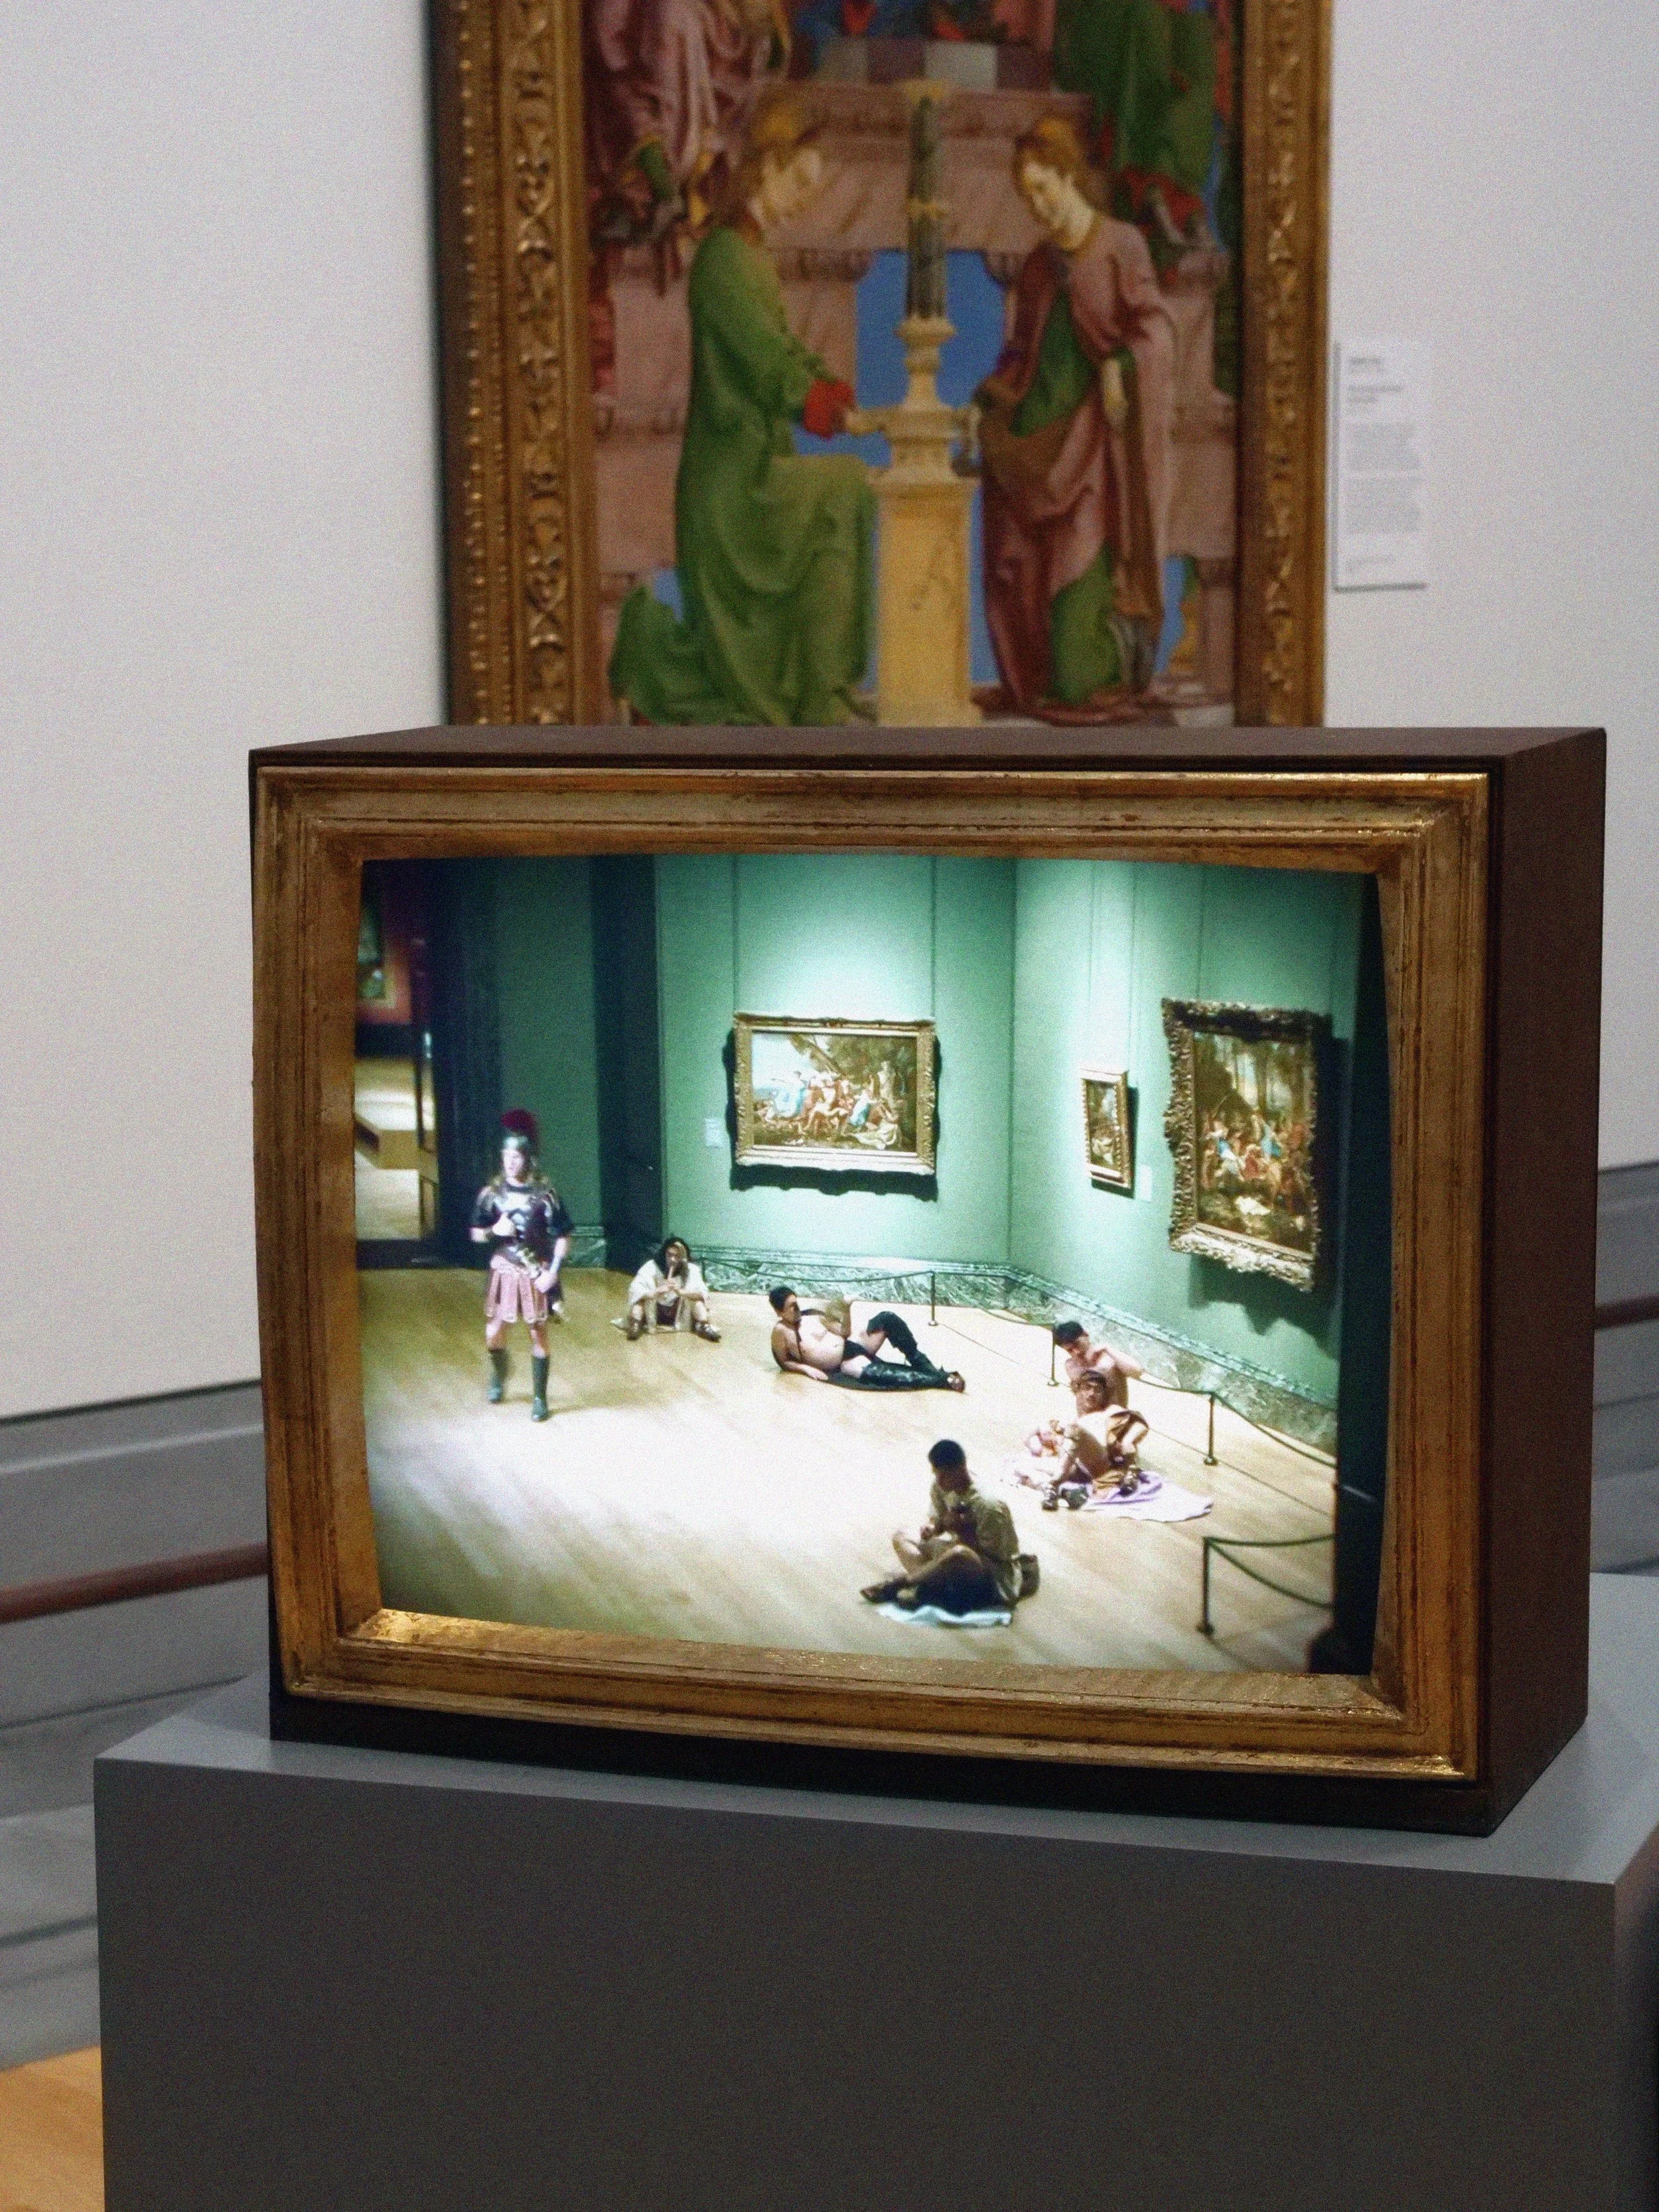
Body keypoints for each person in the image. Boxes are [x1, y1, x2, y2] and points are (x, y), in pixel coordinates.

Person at [608, 99, 876, 725]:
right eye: (802, 182)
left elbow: (786, 351)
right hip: (730, 490)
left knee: (845, 491)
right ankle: (820, 694)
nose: (807, 199)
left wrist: (838, 393)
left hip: (757, 471)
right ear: (767, 169)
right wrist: (829, 410)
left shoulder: (751, 254)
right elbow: (766, 364)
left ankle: (822, 687)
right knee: (843, 487)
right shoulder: (725, 259)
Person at [976, 114, 1176, 717]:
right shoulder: (1038, 266)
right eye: (1027, 194)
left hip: (1093, 455)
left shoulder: (1121, 246)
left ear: (1069, 176)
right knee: (1034, 617)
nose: (1036, 205)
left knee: (1077, 673)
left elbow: (1159, 331)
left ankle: (1124, 652)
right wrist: (989, 399)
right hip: (1038, 444)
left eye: (1043, 188)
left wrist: (1121, 364)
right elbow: (1019, 353)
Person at [469, 1111, 573, 1422]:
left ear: (527, 1158)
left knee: (537, 1333)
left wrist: (552, 1272)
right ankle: (500, 1374)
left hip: (535, 1271)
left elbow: (563, 1235)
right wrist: (493, 1232)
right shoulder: (492, 1195)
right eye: (505, 1156)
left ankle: (540, 1397)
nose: (509, 1162)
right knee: (494, 1332)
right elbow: (476, 1233)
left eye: (515, 1156)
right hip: (504, 1269)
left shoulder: (546, 1196)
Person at [863, 1440, 1027, 1615]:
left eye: (944, 1476)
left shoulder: (989, 1505)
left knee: (959, 1554)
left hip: (993, 1577)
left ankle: (902, 1583)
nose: (939, 1482)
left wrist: (963, 1531)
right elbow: (937, 1519)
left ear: (961, 1469)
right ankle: (929, 1584)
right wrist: (933, 1527)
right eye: (936, 1474)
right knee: (902, 1536)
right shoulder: (940, 1487)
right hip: (954, 1555)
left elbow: (993, 1558)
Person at [769, 1287, 964, 1392]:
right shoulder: (781, 1332)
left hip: (852, 1346)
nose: (797, 1309)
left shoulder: (812, 1315)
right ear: (779, 1311)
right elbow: (784, 1361)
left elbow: (844, 1332)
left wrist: (846, 1310)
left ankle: (924, 1365)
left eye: (797, 1304)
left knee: (887, 1319)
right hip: (844, 1365)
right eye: (791, 1307)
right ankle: (942, 1380)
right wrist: (806, 1368)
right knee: (888, 1375)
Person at [1043, 1370, 1155, 1509]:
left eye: (1098, 1390)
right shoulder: (1074, 1419)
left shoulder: (1110, 1411)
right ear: (1078, 1390)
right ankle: (1066, 1492)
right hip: (1078, 1468)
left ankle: (1053, 1486)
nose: (1092, 1394)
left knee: (1074, 1430)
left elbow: (1140, 1424)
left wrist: (1128, 1440)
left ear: (1104, 1394)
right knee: (1029, 1468)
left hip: (1103, 1463)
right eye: (1087, 1388)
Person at [622, 1236, 721, 1341]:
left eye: (677, 1256)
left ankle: (704, 1327)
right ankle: (635, 1326)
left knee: (698, 1303)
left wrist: (681, 1292)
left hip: (678, 1312)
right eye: (669, 1255)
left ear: (683, 1257)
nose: (672, 1259)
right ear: (664, 1254)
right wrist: (656, 1292)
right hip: (656, 1310)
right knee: (639, 1303)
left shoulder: (691, 1270)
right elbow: (635, 1291)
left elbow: (702, 1294)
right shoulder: (651, 1267)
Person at [1051, 1319, 1143, 1408]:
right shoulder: (1071, 1366)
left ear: (1085, 1334)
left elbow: (1137, 1372)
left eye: (1077, 1344)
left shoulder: (1109, 1360)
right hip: (1086, 1418)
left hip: (1114, 1418)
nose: (1076, 1352)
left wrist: (1107, 1348)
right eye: (1070, 1350)